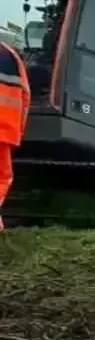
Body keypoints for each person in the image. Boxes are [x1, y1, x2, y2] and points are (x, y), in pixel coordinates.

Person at [0, 40, 30, 232]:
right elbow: (25, 97)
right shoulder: (11, 56)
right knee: (1, 177)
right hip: (5, 130)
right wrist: (18, 131)